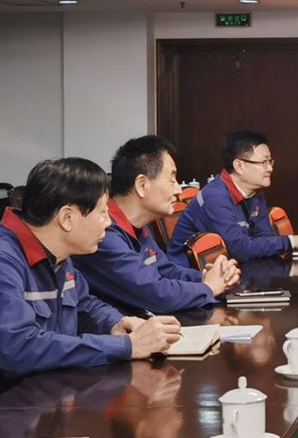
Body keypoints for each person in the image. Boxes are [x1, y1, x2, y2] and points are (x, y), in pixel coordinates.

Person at [0, 157, 181, 402]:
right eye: (102, 213)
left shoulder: (58, 254)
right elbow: (18, 348)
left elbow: (84, 305)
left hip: (41, 397)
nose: (108, 223)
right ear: (67, 218)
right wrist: (125, 346)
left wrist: (117, 323)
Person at [75, 136, 241, 317]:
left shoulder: (139, 226)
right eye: (172, 180)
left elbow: (165, 270)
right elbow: (156, 293)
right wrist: (209, 287)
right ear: (142, 185)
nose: (178, 190)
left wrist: (209, 277)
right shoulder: (104, 234)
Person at [167, 131, 298, 267]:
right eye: (263, 162)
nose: (270, 168)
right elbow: (239, 249)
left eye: (270, 161)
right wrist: (292, 241)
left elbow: (264, 239)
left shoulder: (255, 192)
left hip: (232, 268)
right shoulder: (215, 197)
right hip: (190, 278)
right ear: (239, 166)